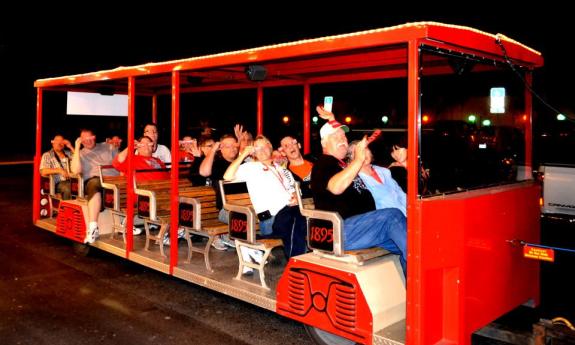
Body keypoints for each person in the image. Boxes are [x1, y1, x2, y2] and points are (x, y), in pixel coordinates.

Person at [310, 106, 407, 276]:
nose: (343, 139)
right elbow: (335, 187)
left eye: (344, 136)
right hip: (341, 230)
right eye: (337, 137)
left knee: (415, 245)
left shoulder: (344, 166)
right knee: (393, 215)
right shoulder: (323, 163)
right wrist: (359, 159)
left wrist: (332, 118)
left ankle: (415, 294)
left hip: (368, 227)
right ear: (324, 143)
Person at [224, 135, 307, 262]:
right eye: (257, 148)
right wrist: (243, 154)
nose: (261, 150)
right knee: (297, 215)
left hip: (289, 214)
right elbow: (227, 176)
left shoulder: (283, 170)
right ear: (253, 153)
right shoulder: (249, 168)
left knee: (302, 216)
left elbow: (294, 190)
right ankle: (296, 263)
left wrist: (296, 194)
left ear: (270, 147)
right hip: (270, 220)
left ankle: (299, 261)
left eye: (264, 146)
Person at [71, 129, 119, 243]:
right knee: (95, 183)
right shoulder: (80, 154)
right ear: (80, 140)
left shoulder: (107, 146)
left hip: (113, 180)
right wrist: (77, 148)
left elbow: (120, 161)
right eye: (84, 139)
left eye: (90, 138)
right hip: (94, 181)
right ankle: (93, 227)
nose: (88, 141)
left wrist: (116, 143)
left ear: (94, 137)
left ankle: (127, 224)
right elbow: (75, 170)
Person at [199, 134, 240, 250]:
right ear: (221, 149)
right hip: (225, 210)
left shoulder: (241, 163)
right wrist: (213, 150)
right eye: (228, 146)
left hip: (244, 207)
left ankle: (231, 238)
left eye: (234, 145)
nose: (233, 148)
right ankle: (229, 238)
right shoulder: (217, 163)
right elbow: (204, 172)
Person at [348, 141, 406, 217]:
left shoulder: (384, 171)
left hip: (407, 216)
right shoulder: (356, 180)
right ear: (351, 159)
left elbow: (401, 195)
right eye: (357, 152)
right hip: (387, 222)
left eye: (365, 149)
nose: (363, 154)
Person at [40, 135, 75, 200]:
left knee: (85, 185)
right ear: (53, 143)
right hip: (57, 184)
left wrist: (70, 146)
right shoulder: (47, 155)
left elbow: (81, 159)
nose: (59, 143)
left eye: (61, 142)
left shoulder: (68, 153)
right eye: (57, 141)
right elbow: (43, 171)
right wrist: (59, 170)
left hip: (73, 181)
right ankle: (67, 209)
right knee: (68, 187)